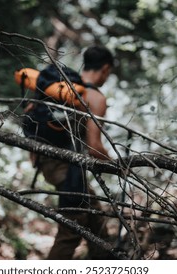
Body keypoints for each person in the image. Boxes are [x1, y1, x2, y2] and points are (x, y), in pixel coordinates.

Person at [32, 46, 114, 259]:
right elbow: (94, 147)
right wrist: (117, 166)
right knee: (72, 227)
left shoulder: (58, 87)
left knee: (95, 217)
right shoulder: (95, 98)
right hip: (68, 171)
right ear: (105, 69)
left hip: (45, 162)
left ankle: (107, 260)